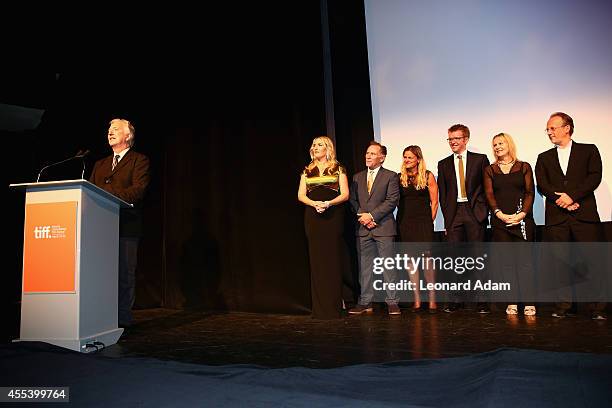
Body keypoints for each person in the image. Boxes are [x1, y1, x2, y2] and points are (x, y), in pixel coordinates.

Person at [535, 112, 605, 320]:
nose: (549, 132)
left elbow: (595, 176)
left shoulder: (589, 150)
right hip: (557, 218)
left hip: (584, 215)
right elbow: (543, 185)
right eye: (547, 129)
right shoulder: (544, 157)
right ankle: (563, 306)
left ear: (567, 128)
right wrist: (563, 201)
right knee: (560, 263)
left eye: (553, 128)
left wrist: (572, 197)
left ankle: (598, 308)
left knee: (593, 261)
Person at [90, 118, 151, 327]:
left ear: (128, 135)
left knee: (124, 275)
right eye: (108, 129)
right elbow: (89, 192)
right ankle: (100, 316)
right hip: (101, 227)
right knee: (100, 273)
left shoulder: (139, 160)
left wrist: (109, 194)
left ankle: (123, 319)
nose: (110, 132)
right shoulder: (100, 164)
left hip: (126, 226)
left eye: (115, 129)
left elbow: (138, 190)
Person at [437, 124, 490, 313]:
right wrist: (447, 218)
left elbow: (486, 187)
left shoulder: (480, 160)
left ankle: (482, 300)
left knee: (478, 258)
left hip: (474, 212)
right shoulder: (443, 164)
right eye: (450, 139)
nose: (453, 142)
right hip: (454, 214)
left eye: (456, 138)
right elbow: (443, 194)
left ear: (466, 139)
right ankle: (456, 299)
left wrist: (484, 212)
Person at [483, 133, 536, 316]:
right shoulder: (490, 170)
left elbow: (530, 192)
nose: (497, 147)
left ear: (509, 144)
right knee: (506, 264)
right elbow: (489, 195)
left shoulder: (524, 167)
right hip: (500, 222)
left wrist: (521, 214)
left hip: (522, 221)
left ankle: (529, 302)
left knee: (525, 264)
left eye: (501, 143)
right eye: (495, 144)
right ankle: (511, 301)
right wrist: (499, 214)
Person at [297, 136, 349, 319]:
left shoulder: (338, 168)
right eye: (314, 145)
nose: (315, 147)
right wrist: (314, 204)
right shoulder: (307, 170)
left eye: (319, 144)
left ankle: (334, 305)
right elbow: (301, 195)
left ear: (328, 148)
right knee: (317, 261)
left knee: (332, 259)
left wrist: (328, 203)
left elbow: (345, 194)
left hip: (332, 216)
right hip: (313, 217)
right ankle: (319, 308)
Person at [348, 141, 401, 315]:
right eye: (367, 153)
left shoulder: (391, 176)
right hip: (363, 229)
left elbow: (391, 200)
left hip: (383, 227)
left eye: (372, 153)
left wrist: (372, 216)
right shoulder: (357, 177)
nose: (368, 156)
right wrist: (363, 217)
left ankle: (392, 302)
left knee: (388, 266)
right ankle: (365, 302)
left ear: (382, 157)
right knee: (365, 267)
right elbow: (353, 200)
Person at [397, 146, 439, 313]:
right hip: (405, 222)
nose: (406, 160)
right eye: (405, 157)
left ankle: (432, 299)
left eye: (410, 157)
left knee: (427, 261)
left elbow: (434, 202)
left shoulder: (428, 176)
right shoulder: (400, 178)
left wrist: (429, 221)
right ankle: (416, 299)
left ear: (418, 159)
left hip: (423, 222)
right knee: (411, 262)